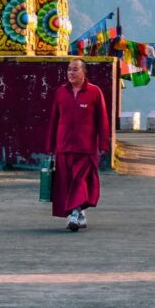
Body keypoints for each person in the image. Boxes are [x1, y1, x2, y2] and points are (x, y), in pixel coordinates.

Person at [46, 58, 110, 232]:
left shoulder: (94, 92)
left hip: (85, 147)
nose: (71, 73)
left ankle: (74, 213)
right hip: (63, 146)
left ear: (84, 72)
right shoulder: (61, 92)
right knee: (66, 182)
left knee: (79, 181)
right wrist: (50, 145)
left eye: (75, 69)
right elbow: (54, 120)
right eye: (69, 70)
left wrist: (103, 144)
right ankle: (80, 214)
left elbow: (102, 120)